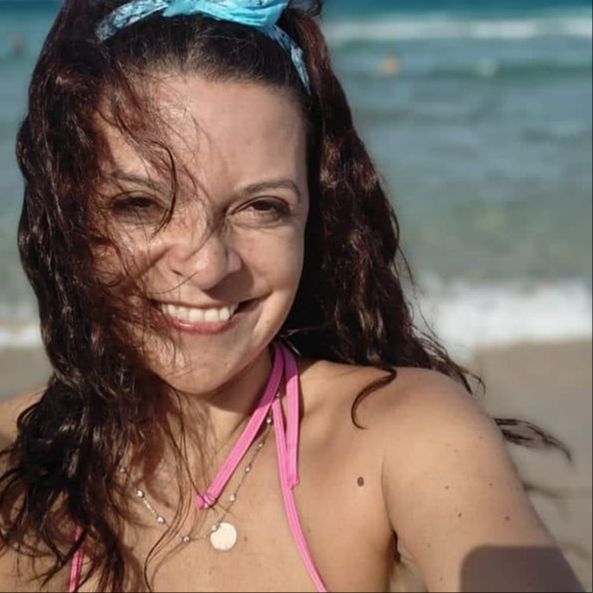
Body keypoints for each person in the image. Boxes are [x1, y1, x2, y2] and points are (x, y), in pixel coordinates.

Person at [0, 1, 584, 592]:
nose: (208, 265)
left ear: (315, 220)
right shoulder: (13, 466)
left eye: (262, 207)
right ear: (70, 217)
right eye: (141, 203)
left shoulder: (401, 437)